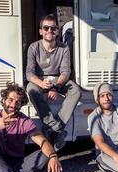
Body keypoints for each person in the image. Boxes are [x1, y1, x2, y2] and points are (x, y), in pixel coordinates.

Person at [26, 14, 81, 151]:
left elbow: (66, 72)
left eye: (53, 28)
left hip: (57, 80)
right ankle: (57, 129)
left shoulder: (64, 48)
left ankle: (56, 127)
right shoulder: (33, 47)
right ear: (41, 31)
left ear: (57, 31)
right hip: (39, 79)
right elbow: (29, 73)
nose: (49, 31)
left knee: (76, 90)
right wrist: (41, 83)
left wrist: (56, 87)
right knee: (31, 89)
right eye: (46, 28)